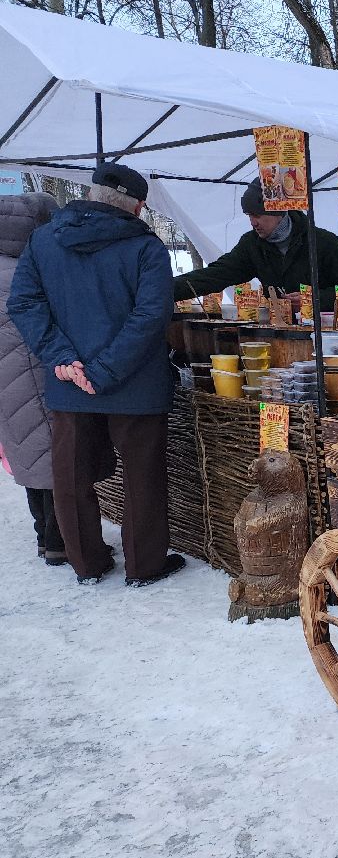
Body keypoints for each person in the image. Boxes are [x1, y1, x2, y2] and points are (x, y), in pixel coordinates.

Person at [6, 162, 185, 587]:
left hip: (69, 384)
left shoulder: (44, 240)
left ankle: (85, 562)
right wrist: (103, 371)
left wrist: (63, 359)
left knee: (70, 476)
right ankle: (144, 566)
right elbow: (151, 316)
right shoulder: (146, 247)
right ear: (137, 207)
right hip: (135, 385)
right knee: (142, 475)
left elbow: (24, 303)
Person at [172, 177, 338, 313]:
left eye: (257, 215)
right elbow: (215, 275)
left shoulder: (323, 242)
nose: (253, 222)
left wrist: (314, 300)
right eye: (249, 216)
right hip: (280, 334)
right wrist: (164, 289)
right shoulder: (252, 245)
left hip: (327, 337)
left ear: (278, 212)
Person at [0, 191, 68, 565]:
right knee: (55, 454)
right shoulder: (33, 267)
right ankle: (60, 541)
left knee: (27, 452)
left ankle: (44, 534)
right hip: (39, 370)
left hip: (5, 379)